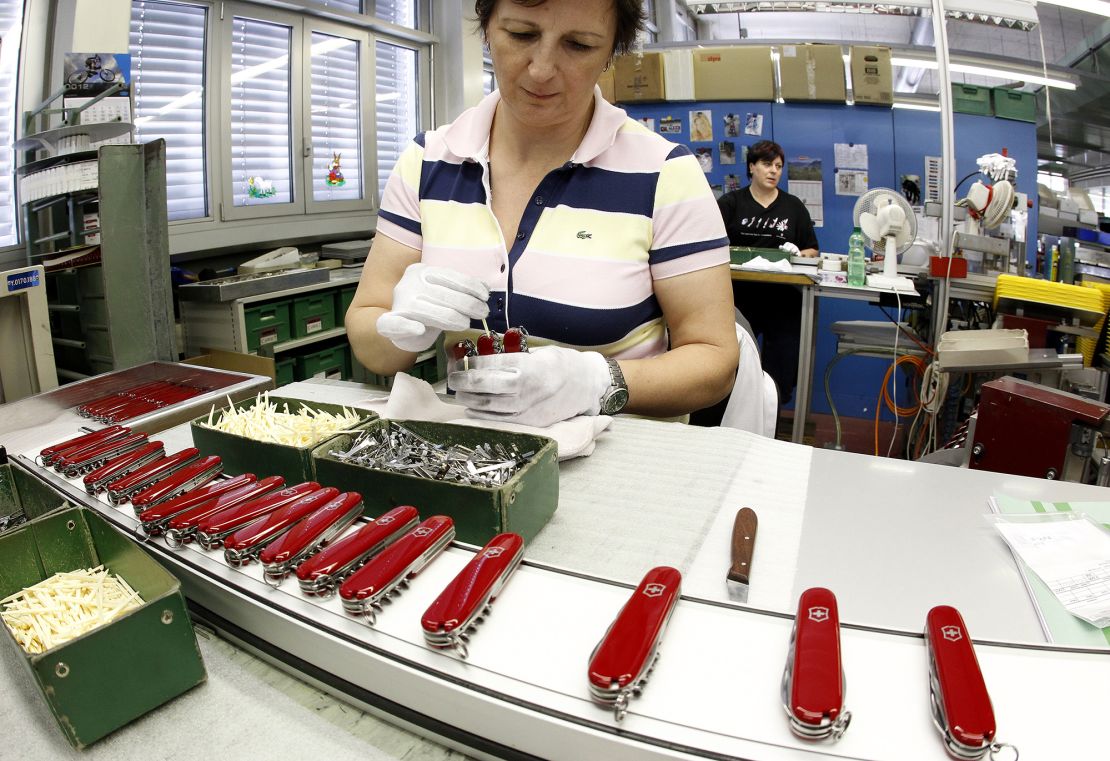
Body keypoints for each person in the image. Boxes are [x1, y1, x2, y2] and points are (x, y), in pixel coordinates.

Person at [345, 0, 738, 429]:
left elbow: (714, 361)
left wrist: (597, 382)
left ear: (610, 52)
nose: (541, 70)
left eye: (579, 45)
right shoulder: (427, 163)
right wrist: (398, 328)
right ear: (487, 29)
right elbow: (370, 341)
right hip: (471, 454)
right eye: (521, 35)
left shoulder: (664, 173)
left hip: (622, 462)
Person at [715, 140, 819, 411]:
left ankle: (773, 421)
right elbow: (710, 243)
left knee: (779, 374)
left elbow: (812, 249)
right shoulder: (731, 203)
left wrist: (798, 253)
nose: (773, 171)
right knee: (732, 368)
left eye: (778, 166)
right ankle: (730, 422)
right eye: (766, 164)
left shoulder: (793, 207)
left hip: (782, 301)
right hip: (738, 300)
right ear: (752, 167)